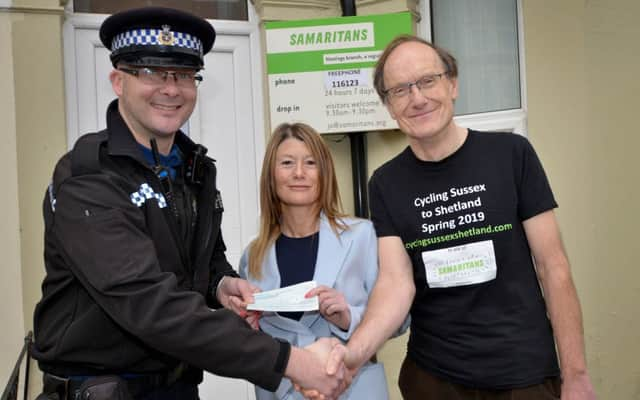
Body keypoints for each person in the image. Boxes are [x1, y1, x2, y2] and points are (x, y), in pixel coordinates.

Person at [32, 7, 347, 400]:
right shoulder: (88, 177)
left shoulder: (194, 168)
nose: (171, 89)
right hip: (101, 390)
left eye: (183, 75)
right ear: (118, 81)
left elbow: (200, 257)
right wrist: (294, 363)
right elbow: (150, 305)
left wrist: (221, 284)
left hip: (178, 386)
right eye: (151, 72)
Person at [317, 34, 597, 400]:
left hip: (523, 375)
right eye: (400, 90)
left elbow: (553, 267)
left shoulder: (512, 155)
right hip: (434, 379)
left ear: (453, 84)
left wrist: (575, 374)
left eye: (427, 81)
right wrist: (353, 354)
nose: (417, 98)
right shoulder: (386, 183)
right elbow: (396, 283)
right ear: (388, 105)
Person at [238, 123, 397, 400]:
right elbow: (252, 345)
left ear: (324, 173)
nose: (299, 173)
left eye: (310, 163)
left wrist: (348, 317)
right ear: (271, 177)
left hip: (354, 389)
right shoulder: (252, 257)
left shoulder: (363, 237)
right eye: (287, 163)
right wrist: (248, 327)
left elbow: (399, 318)